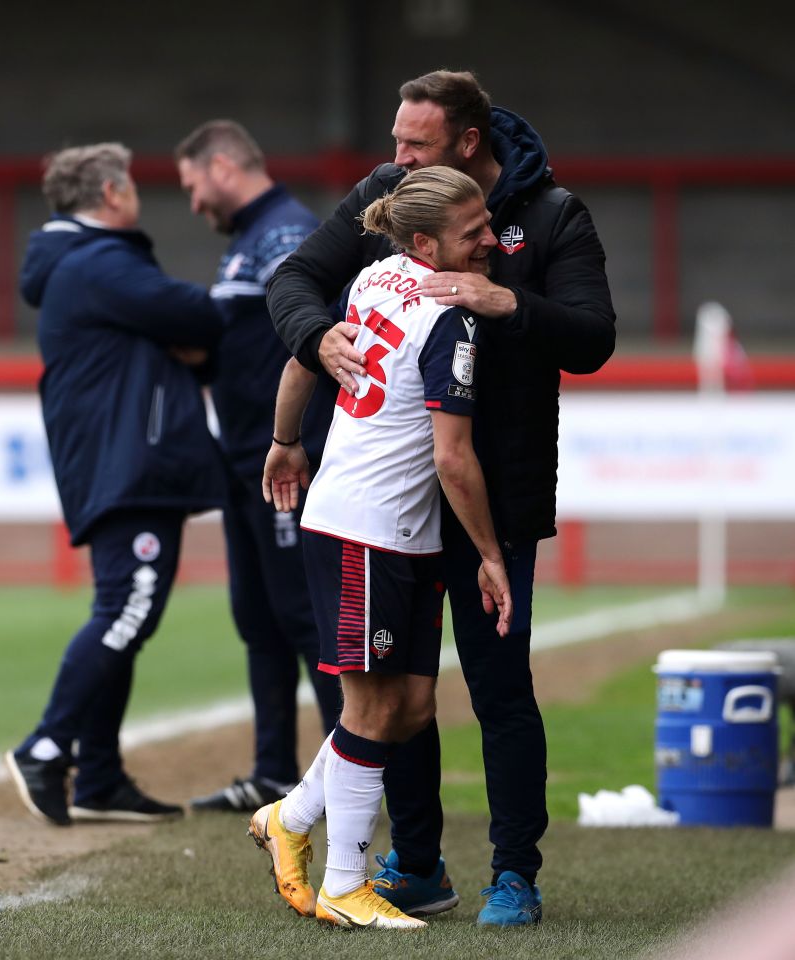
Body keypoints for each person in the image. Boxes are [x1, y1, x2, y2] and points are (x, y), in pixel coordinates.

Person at [266, 70, 616, 926]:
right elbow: (291, 285)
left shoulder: (553, 215)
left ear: (467, 142)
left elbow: (595, 338)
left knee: (499, 688)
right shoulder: (394, 199)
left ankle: (514, 874)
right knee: (403, 694)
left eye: (411, 144)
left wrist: (509, 302)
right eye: (394, 142)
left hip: (497, 498)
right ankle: (414, 864)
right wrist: (320, 335)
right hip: (400, 507)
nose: (392, 161)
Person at [249, 165, 512, 930]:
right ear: (428, 242)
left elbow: (307, 353)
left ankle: (290, 817)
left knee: (412, 704)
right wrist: (491, 556)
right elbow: (453, 458)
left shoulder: (375, 275)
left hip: (394, 532)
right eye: (475, 234)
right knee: (369, 707)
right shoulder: (450, 317)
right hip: (367, 527)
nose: (491, 240)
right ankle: (344, 882)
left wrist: (286, 438)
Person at [6, 143, 227, 826]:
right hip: (129, 464)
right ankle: (48, 746)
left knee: (129, 613)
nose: (135, 193)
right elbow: (202, 314)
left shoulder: (80, 266)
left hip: (123, 461)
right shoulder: (100, 262)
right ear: (110, 194)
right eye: (129, 183)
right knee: (126, 609)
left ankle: (98, 775)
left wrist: (176, 344)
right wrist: (185, 339)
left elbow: (179, 331)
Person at [174, 121, 340, 813]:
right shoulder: (245, 244)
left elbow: (308, 345)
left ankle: (347, 773)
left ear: (221, 166)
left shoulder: (284, 233)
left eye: (191, 187)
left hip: (286, 462)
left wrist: (293, 438)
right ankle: (271, 771)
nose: (192, 204)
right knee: (259, 618)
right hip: (245, 463)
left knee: (306, 616)